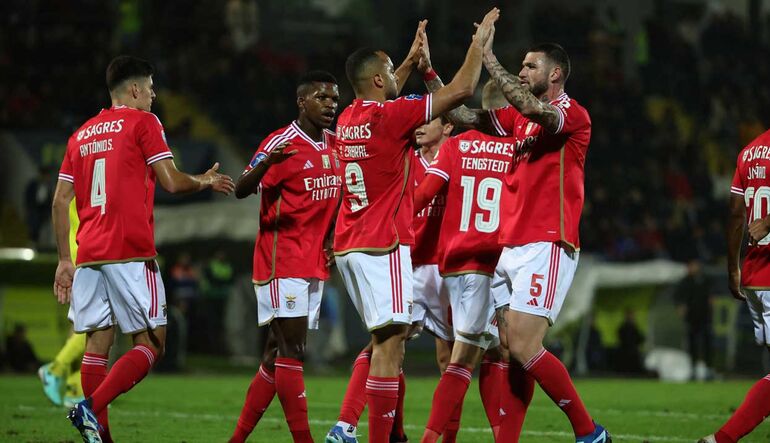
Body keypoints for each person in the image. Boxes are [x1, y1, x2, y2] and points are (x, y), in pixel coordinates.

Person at [326, 10, 499, 443]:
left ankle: (356, 428)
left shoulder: (349, 116)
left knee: (386, 340)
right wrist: (479, 44)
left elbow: (385, 87)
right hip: (383, 244)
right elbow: (461, 90)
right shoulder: (390, 118)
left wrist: (404, 61)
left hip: (350, 241)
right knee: (390, 347)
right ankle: (373, 436)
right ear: (380, 83)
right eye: (389, 75)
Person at [425, 37, 610, 441]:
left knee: (525, 346)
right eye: (521, 66)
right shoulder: (516, 121)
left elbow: (529, 105)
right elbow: (459, 113)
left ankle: (589, 432)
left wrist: (490, 58)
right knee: (504, 347)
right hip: (511, 246)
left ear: (555, 73)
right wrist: (429, 72)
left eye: (530, 66)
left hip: (549, 242)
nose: (522, 72)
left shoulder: (570, 114)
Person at [52, 55, 234, 443]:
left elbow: (58, 201)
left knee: (96, 346)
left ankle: (100, 436)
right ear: (134, 90)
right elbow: (171, 182)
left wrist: (64, 260)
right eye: (150, 89)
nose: (153, 97)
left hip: (88, 255)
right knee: (152, 343)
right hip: (130, 251)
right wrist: (203, 180)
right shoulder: (143, 122)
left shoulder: (80, 134)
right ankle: (89, 408)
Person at [228, 70, 341, 443]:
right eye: (322, 98)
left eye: (334, 98)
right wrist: (266, 163)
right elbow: (242, 189)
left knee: (275, 355)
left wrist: (330, 238)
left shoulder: (335, 144)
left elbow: (336, 199)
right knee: (293, 350)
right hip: (283, 259)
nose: (330, 104)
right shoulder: (281, 142)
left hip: (313, 261)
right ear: (301, 101)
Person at [414, 80, 514, 442]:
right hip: (488, 265)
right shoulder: (515, 150)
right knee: (463, 360)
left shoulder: (455, 146)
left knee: (494, 352)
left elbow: (422, 195)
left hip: (453, 264)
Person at [699, 128, 770, 443]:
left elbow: (735, 215)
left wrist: (732, 268)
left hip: (755, 273)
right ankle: (722, 440)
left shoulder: (749, 152)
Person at [675, 258, 714, 380]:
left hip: (705, 317)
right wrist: (680, 306)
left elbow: (712, 295)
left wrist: (711, 303)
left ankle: (708, 369)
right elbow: (677, 297)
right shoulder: (685, 282)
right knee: (692, 343)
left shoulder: (705, 280)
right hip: (692, 318)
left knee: (707, 342)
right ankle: (692, 369)